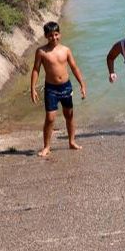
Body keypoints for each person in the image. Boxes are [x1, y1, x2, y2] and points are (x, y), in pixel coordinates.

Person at [30, 22, 86, 157]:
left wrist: (82, 84)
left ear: (59, 34)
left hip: (66, 86)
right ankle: (47, 147)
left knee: (69, 115)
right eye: (50, 36)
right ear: (45, 36)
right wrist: (33, 88)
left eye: (56, 35)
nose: (54, 38)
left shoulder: (66, 50)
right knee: (50, 118)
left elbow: (74, 67)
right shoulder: (41, 51)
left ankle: (72, 142)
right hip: (51, 88)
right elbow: (36, 69)